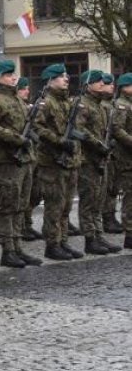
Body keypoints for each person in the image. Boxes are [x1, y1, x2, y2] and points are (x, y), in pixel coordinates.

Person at [0, 61, 43, 268]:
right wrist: (15, 138)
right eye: (8, 75)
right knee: (8, 207)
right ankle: (8, 251)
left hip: (24, 160)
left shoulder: (16, 99)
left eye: (12, 74)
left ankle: (18, 248)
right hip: (7, 160)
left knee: (21, 206)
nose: (12, 77)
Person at [33, 64, 85, 260]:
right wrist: (60, 142)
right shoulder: (45, 103)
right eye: (61, 76)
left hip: (70, 161)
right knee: (54, 206)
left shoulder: (67, 102)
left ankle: (63, 241)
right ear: (51, 79)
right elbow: (38, 128)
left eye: (66, 76)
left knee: (66, 206)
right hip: (52, 161)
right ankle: (52, 245)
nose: (66, 79)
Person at [74, 70, 121, 255]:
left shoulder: (100, 105)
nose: (102, 83)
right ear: (88, 84)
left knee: (98, 200)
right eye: (97, 81)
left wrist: (107, 145)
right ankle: (90, 239)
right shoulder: (82, 104)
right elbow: (79, 130)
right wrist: (99, 145)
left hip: (101, 157)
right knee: (88, 201)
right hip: (87, 159)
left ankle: (99, 236)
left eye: (102, 81)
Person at [17, 77, 43, 242]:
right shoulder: (18, 109)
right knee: (20, 196)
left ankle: (27, 224)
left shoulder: (28, 108)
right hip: (21, 156)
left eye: (27, 88)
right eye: (23, 88)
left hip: (32, 155)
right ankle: (21, 227)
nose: (27, 91)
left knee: (32, 194)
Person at [100, 74, 124, 234]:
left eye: (111, 84)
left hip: (115, 152)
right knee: (107, 188)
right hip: (105, 151)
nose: (111, 86)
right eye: (108, 84)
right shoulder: (103, 105)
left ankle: (111, 217)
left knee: (114, 187)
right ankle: (107, 218)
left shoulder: (112, 104)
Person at [111, 72, 132, 249]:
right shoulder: (122, 105)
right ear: (125, 87)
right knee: (130, 197)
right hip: (126, 158)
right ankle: (129, 234)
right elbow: (118, 130)